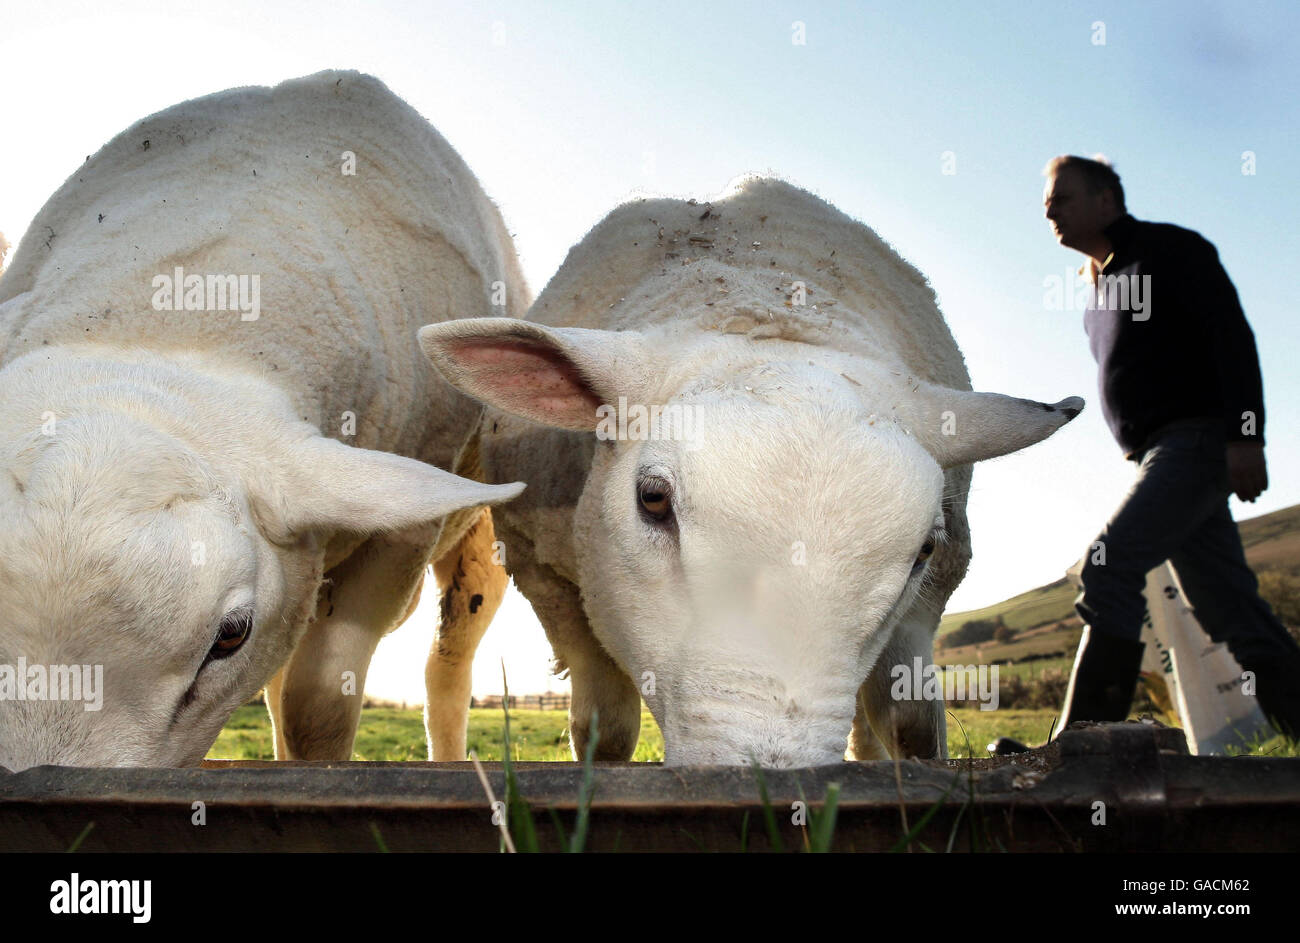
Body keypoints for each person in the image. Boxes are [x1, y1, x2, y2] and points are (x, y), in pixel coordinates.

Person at [994, 154, 1300, 754]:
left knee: (1106, 568)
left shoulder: (1170, 252)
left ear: (1107, 200)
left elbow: (1231, 338)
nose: (1049, 209)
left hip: (1195, 444)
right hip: (1159, 456)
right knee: (1233, 614)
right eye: (1047, 202)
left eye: (1063, 197)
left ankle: (1075, 755)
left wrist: (1247, 436)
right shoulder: (1098, 290)